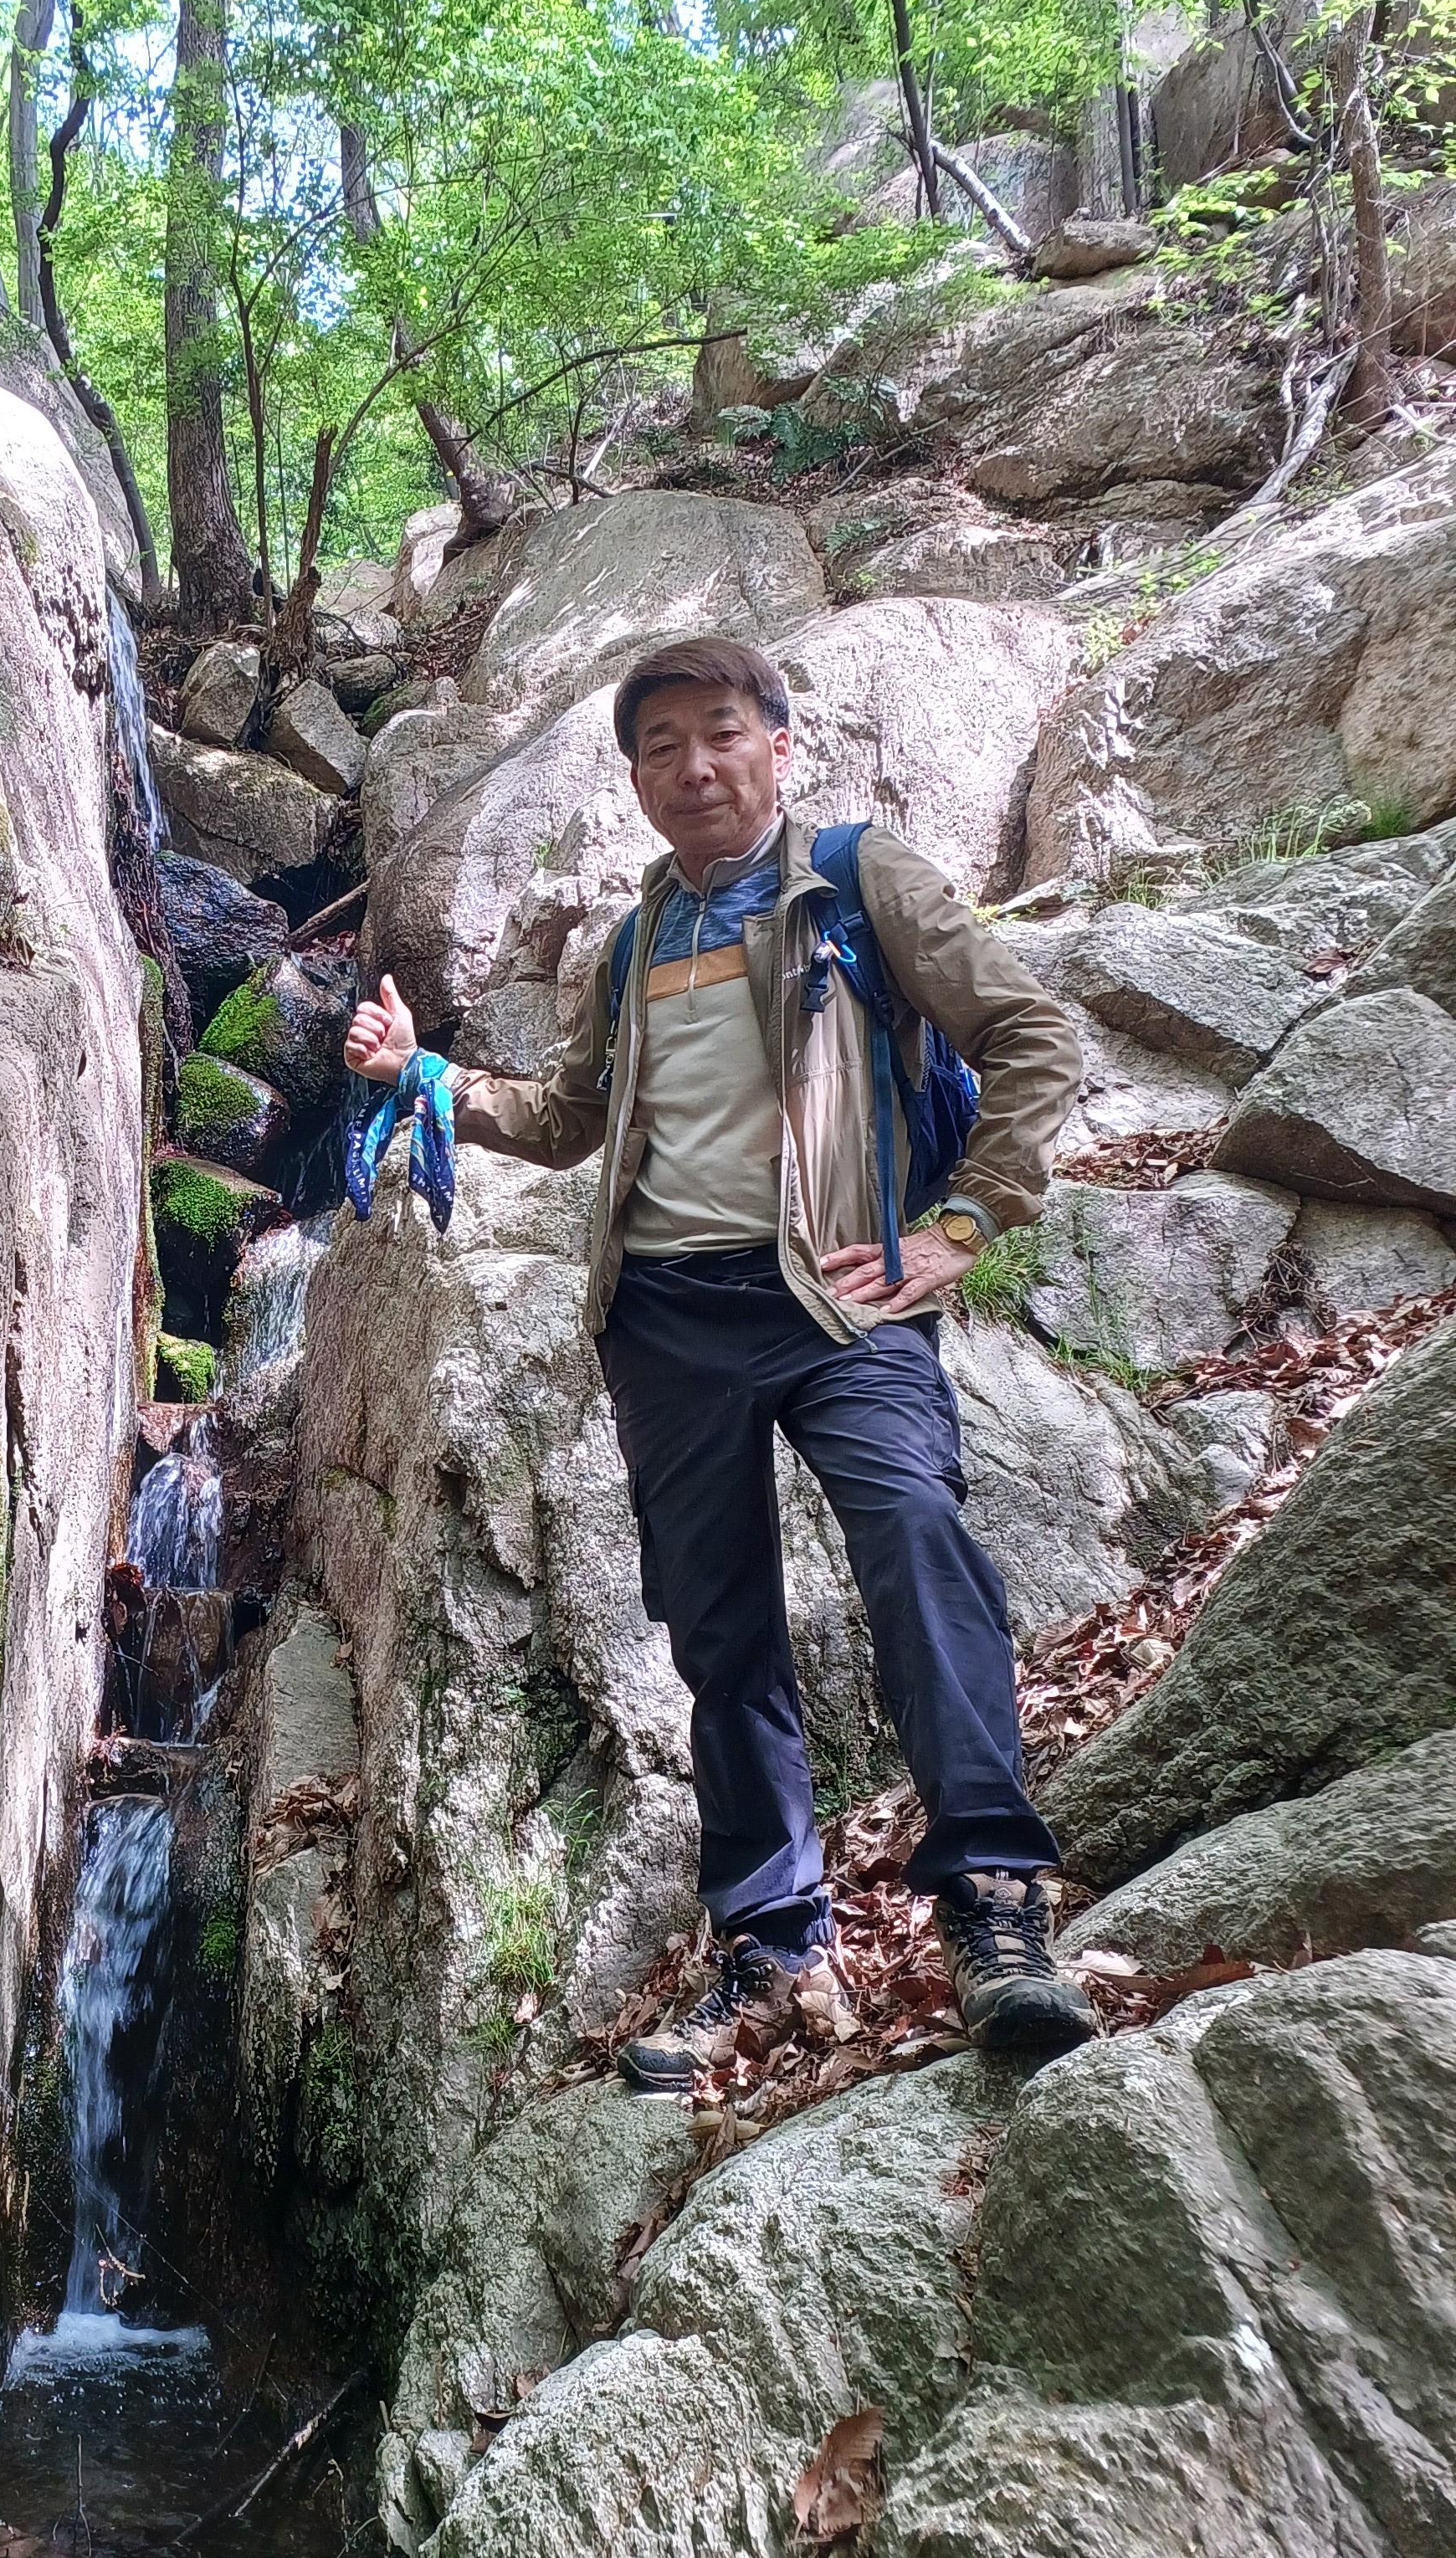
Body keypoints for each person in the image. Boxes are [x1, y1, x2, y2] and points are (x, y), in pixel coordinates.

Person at [345, 633, 1098, 2089]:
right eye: (662, 746)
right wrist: (425, 1076)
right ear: (635, 780)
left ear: (778, 744)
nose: (694, 766)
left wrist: (964, 1221)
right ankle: (771, 1949)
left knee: (916, 1539)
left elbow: (1030, 1031)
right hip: (667, 1321)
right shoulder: (637, 939)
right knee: (718, 1632)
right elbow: (571, 1117)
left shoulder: (858, 881)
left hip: (839, 1298)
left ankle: (995, 1907)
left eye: (721, 733)